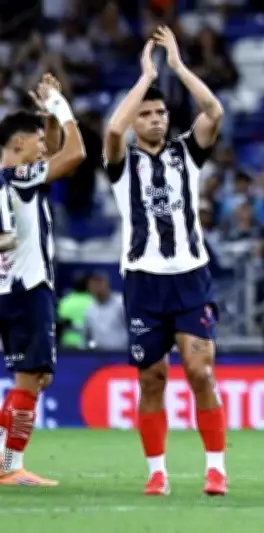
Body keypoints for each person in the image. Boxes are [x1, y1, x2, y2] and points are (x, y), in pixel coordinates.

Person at [103, 27, 226, 497]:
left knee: (201, 371)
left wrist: (177, 68)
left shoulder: (185, 155)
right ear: (137, 120)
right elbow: (113, 129)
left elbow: (214, 111)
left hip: (190, 278)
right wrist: (146, 76)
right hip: (143, 283)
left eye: (161, 112)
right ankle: (158, 471)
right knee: (152, 379)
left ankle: (216, 468)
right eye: (147, 113)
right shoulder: (121, 163)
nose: (155, 119)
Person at [0, 74, 86, 486]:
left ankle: (6, 461)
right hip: (28, 289)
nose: (40, 149)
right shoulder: (21, 179)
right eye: (33, 141)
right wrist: (61, 109)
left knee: (36, 378)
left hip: (10, 288)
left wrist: (45, 121)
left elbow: (51, 153)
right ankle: (8, 466)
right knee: (31, 379)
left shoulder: (9, 180)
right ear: (17, 144)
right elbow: (74, 155)